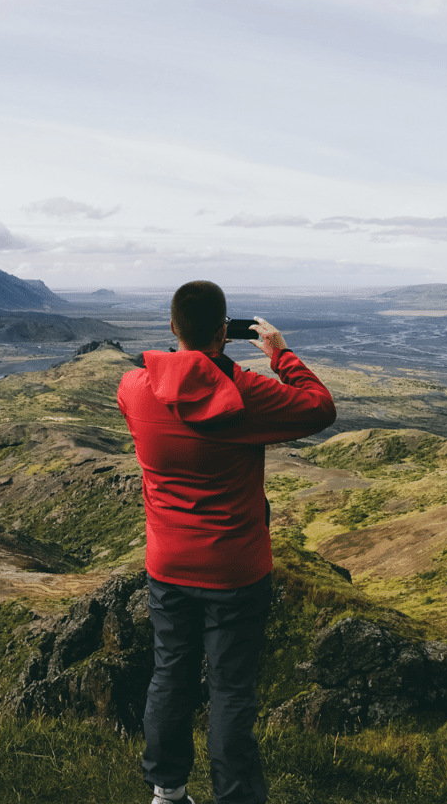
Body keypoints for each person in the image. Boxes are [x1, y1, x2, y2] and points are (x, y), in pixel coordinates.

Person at [117, 280, 337, 804]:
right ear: (225, 331)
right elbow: (320, 407)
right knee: (231, 691)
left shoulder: (133, 388)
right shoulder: (244, 393)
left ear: (173, 328)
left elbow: (162, 385)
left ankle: (166, 792)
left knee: (170, 675)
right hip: (236, 570)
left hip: (168, 566)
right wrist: (279, 355)